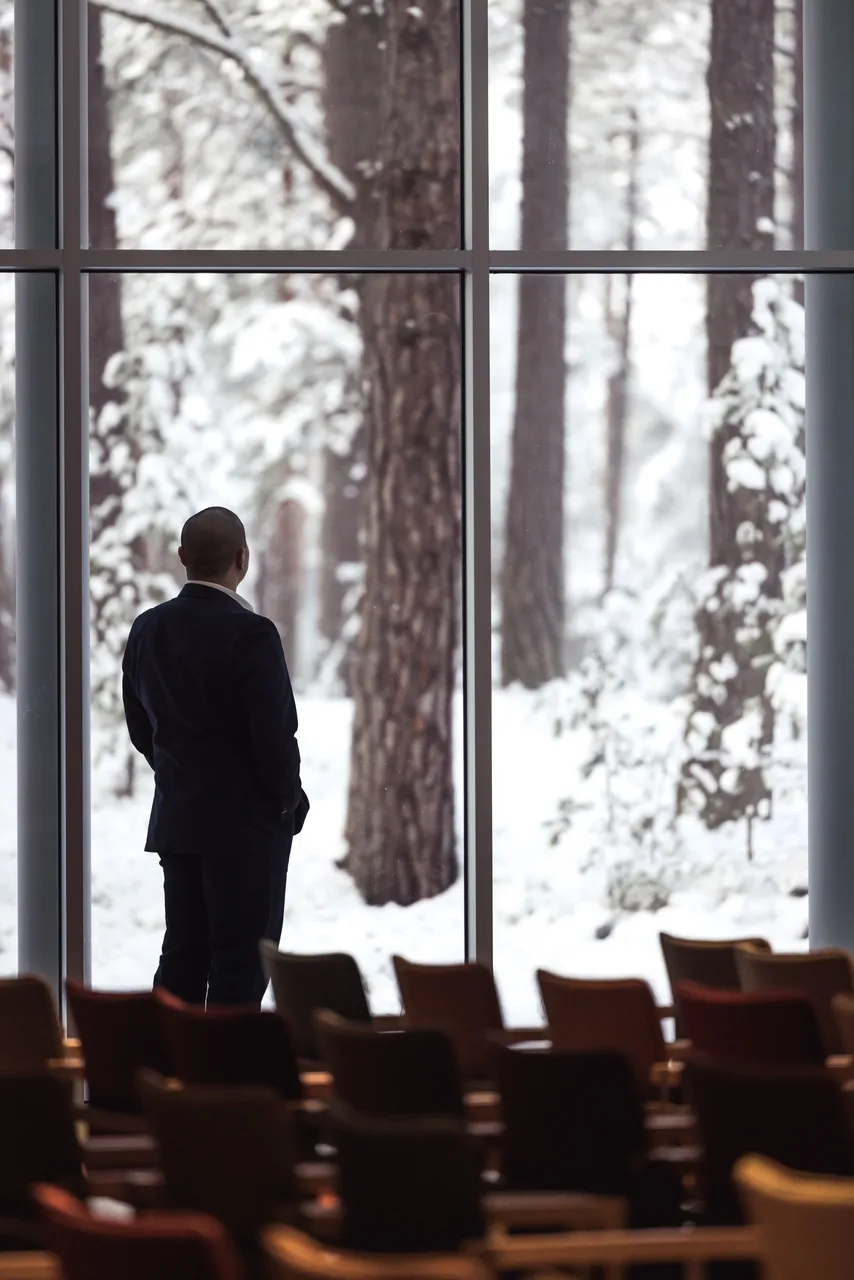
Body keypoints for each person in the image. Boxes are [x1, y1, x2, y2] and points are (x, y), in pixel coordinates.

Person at [122, 506, 308, 1007]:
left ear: (182, 557)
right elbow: (274, 740)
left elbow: (142, 728)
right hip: (246, 832)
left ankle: (170, 1075)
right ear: (242, 559)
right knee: (241, 964)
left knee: (181, 956)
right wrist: (289, 803)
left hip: (179, 823)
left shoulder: (147, 629)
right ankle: (227, 1079)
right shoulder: (254, 635)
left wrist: (182, 774)